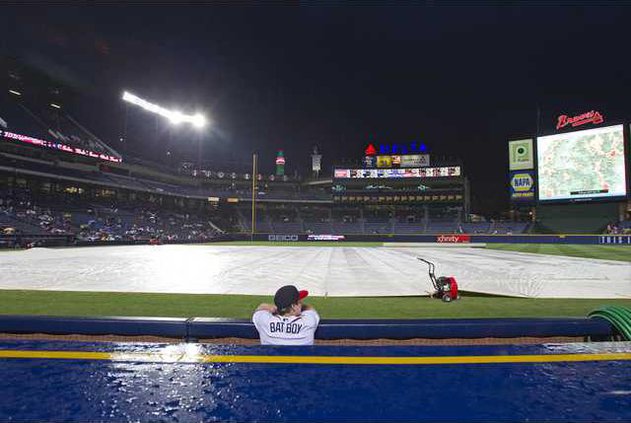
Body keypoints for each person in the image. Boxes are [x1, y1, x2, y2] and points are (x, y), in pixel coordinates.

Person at [252, 285, 320, 345]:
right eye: (299, 302)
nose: (301, 304)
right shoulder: (309, 321)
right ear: (293, 306)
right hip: (301, 359)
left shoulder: (264, 320)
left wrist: (278, 308)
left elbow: (261, 307)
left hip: (272, 359)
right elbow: (310, 308)